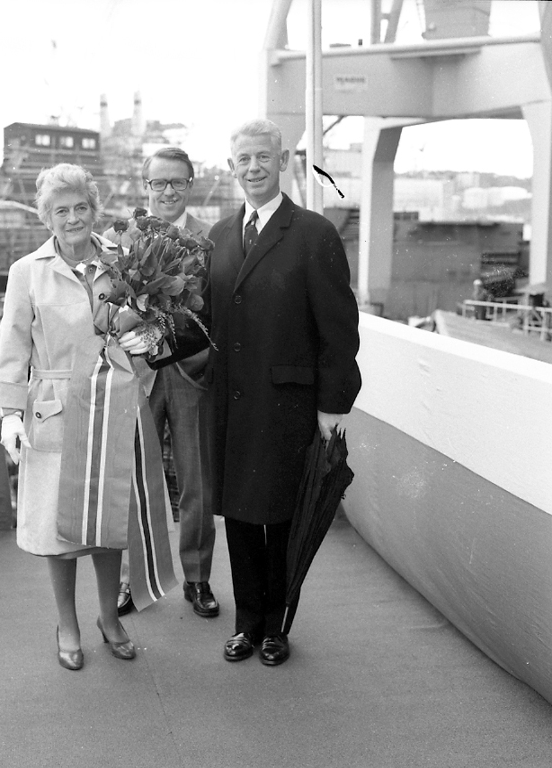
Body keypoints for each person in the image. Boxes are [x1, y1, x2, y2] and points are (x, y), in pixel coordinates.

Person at [162, 119, 361, 666]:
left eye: (263, 158)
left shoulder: (314, 233)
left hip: (287, 404)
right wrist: (153, 339)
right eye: (244, 159)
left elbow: (339, 329)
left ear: (284, 162)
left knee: (283, 517)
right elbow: (203, 321)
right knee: (241, 516)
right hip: (230, 402)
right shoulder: (220, 236)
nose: (253, 168)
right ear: (232, 168)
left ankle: (277, 626)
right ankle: (246, 624)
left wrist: (332, 405)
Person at [0, 163, 172, 671]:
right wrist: (9, 413)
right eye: (61, 211)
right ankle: (67, 624)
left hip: (113, 404)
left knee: (107, 519)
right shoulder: (26, 272)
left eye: (80, 208)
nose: (72, 218)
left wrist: (149, 339)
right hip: (53, 411)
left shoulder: (125, 262)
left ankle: (109, 618)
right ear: (45, 217)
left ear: (95, 210)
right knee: (58, 530)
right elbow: (13, 345)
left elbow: (153, 329)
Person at [103, 147, 219, 620]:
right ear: (145, 186)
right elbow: (106, 307)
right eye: (158, 183)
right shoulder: (119, 241)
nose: (168, 191)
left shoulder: (213, 240)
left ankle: (198, 578)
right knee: (132, 480)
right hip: (138, 377)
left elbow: (217, 313)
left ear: (191, 184)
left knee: (197, 483)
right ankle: (132, 579)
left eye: (177, 182)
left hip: (191, 374)